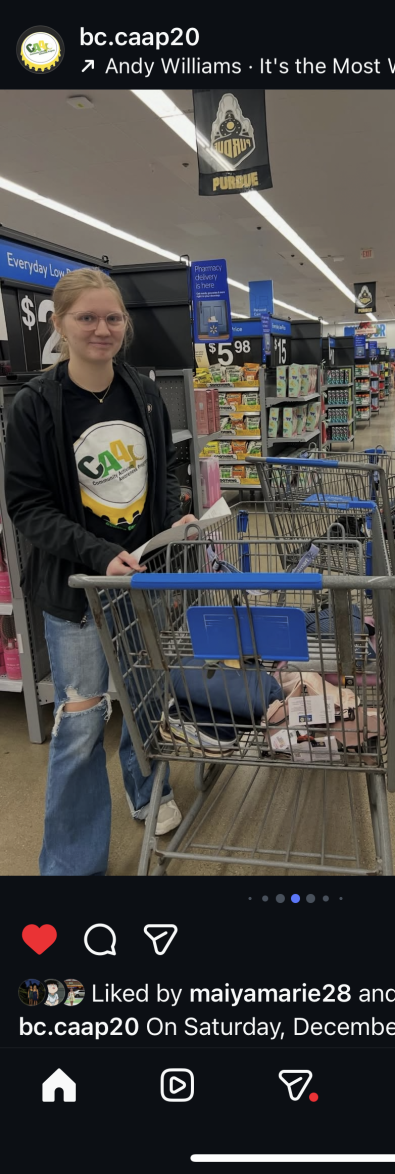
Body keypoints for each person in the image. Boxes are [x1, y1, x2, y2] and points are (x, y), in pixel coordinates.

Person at [5, 268, 198, 875]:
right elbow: (28, 507)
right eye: (86, 317)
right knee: (82, 724)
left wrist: (172, 520)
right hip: (79, 591)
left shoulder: (144, 392)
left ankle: (148, 792)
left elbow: (165, 468)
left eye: (112, 318)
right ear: (59, 324)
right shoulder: (35, 406)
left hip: (141, 581)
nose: (101, 329)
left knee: (146, 699)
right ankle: (72, 863)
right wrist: (96, 553)